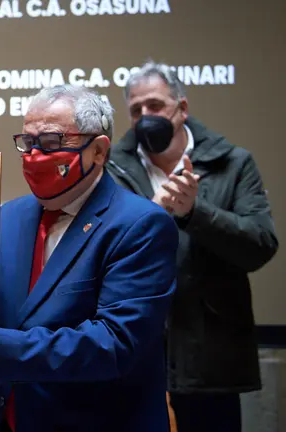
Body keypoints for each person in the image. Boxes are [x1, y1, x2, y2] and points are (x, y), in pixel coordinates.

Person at [0, 85, 179, 432]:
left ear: (98, 150)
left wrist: (1, 347)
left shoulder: (140, 225)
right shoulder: (7, 217)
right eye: (28, 142)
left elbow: (114, 344)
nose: (35, 155)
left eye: (51, 142)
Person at [106, 61, 279, 432]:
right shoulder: (110, 169)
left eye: (155, 105)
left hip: (209, 354)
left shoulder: (232, 163)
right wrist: (146, 219)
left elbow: (260, 244)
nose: (145, 116)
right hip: (136, 350)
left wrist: (193, 213)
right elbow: (98, 252)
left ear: (182, 109)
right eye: (136, 110)